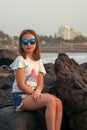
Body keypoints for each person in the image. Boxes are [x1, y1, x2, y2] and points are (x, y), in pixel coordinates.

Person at [10, 29, 63, 130]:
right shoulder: (20, 59)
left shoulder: (37, 61)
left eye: (32, 41)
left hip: (33, 93)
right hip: (21, 96)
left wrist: (38, 91)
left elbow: (40, 83)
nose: (29, 44)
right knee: (50, 100)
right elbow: (21, 84)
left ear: (36, 43)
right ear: (21, 45)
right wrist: (34, 93)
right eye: (25, 42)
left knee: (58, 102)